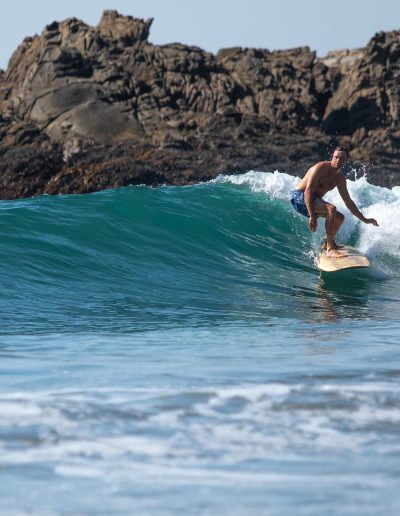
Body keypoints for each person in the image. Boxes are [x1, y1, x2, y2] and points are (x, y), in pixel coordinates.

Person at [290, 146, 379, 258]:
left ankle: (327, 243)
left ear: (346, 161)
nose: (338, 160)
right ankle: (330, 249)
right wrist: (312, 216)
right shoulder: (320, 168)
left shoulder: (340, 178)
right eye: (336, 157)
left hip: (313, 200)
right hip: (299, 198)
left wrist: (365, 219)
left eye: (342, 158)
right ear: (332, 157)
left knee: (339, 218)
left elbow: (348, 202)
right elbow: (308, 192)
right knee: (331, 209)